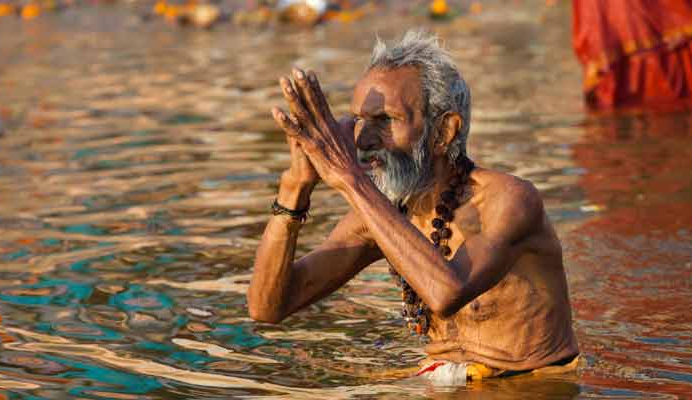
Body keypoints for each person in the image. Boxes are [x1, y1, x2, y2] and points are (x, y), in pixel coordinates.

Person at [247, 30, 580, 383]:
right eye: (359, 119)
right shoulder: (382, 213)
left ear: (443, 132)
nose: (362, 139)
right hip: (442, 383)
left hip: (535, 387)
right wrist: (294, 189)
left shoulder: (508, 200)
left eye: (385, 120)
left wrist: (349, 178)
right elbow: (268, 307)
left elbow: (446, 292)